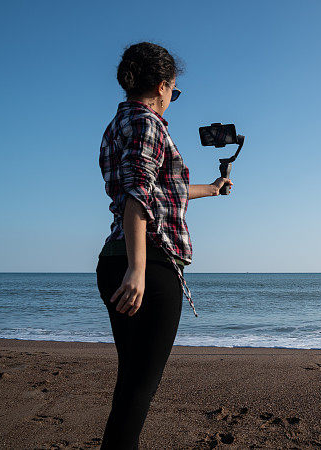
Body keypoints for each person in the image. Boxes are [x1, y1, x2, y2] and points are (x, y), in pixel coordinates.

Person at [95, 42, 233, 449]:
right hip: (148, 266)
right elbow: (139, 194)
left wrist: (212, 188)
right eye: (174, 92)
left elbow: (158, 190)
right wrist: (137, 270)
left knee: (132, 383)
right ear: (161, 86)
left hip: (121, 258)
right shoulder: (148, 123)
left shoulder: (119, 124)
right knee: (139, 390)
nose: (173, 99)